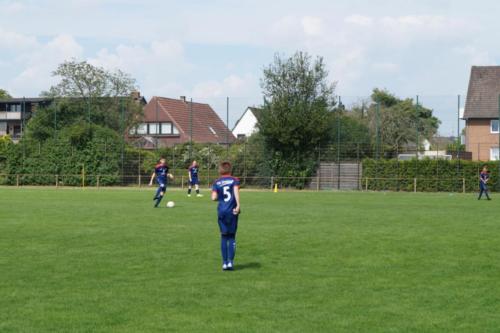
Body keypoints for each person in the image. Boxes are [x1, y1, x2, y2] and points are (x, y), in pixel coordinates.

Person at [211, 161, 241, 271]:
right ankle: (230, 263)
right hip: (232, 211)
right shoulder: (235, 180)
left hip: (222, 211)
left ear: (220, 170)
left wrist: (220, 198)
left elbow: (213, 198)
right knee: (232, 237)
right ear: (230, 169)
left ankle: (224, 263)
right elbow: (236, 192)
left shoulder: (216, 182)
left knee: (224, 237)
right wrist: (238, 205)